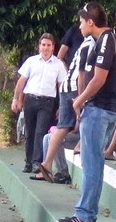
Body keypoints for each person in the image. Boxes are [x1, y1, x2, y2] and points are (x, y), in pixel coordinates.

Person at [56, 2, 116, 222]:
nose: (79, 26)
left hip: (100, 109)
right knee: (94, 161)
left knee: (91, 163)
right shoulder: (105, 40)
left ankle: (84, 216)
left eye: (82, 21)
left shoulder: (106, 40)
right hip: (103, 108)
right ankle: (86, 214)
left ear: (91, 22)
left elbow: (99, 78)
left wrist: (79, 99)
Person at [32, 35, 96, 184]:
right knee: (63, 127)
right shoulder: (90, 44)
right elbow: (82, 73)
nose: (79, 28)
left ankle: (59, 170)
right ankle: (47, 163)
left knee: (59, 130)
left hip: (66, 87)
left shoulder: (85, 44)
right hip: (73, 88)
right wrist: (81, 98)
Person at [11, 33, 67, 173]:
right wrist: (16, 99)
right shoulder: (31, 61)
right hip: (30, 100)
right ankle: (28, 162)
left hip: (47, 102)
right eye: (43, 45)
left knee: (40, 131)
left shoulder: (58, 65)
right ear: (39, 46)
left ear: (53, 47)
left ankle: (37, 162)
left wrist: (62, 106)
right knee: (29, 132)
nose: (46, 48)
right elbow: (21, 81)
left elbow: (62, 87)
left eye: (49, 45)